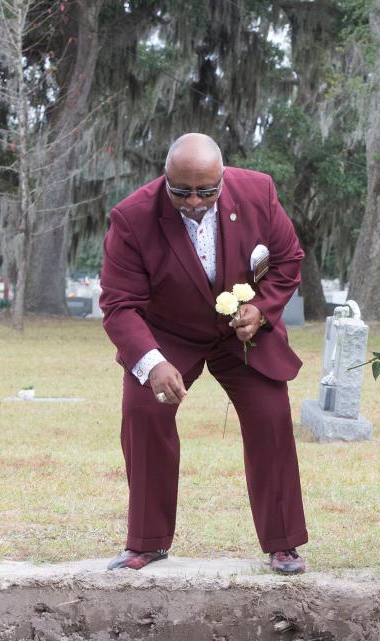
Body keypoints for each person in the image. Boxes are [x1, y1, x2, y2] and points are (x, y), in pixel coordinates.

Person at [99, 133, 308, 574]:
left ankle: (283, 543)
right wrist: (152, 362)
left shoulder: (259, 192)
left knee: (271, 416)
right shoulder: (133, 217)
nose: (194, 201)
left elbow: (288, 259)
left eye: (206, 190)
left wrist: (262, 310)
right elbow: (119, 305)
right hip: (169, 332)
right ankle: (147, 541)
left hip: (242, 328)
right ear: (165, 177)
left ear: (224, 177)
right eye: (182, 191)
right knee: (144, 412)